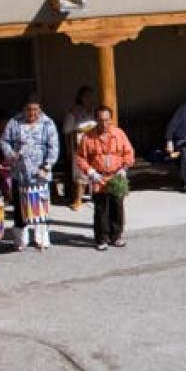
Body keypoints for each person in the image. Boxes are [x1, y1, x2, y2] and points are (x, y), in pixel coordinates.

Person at [1, 96, 59, 251]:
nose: (32, 113)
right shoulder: (14, 122)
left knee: (40, 206)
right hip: (20, 173)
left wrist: (46, 167)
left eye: (35, 110)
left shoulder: (48, 123)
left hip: (41, 172)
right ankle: (21, 241)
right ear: (23, 109)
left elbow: (54, 147)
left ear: (40, 109)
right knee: (20, 208)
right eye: (29, 110)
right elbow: (4, 140)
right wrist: (11, 154)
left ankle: (41, 239)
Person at [75, 106, 135, 251]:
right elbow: (80, 158)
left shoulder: (119, 134)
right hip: (98, 177)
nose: (104, 123)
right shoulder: (87, 137)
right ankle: (101, 238)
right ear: (96, 120)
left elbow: (129, 152)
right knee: (101, 209)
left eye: (107, 120)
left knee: (117, 207)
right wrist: (90, 172)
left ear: (111, 119)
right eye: (100, 120)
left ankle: (116, 236)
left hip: (116, 176)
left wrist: (124, 168)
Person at [62, 86, 96, 210]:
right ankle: (78, 199)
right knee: (81, 173)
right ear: (80, 97)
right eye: (86, 96)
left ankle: (95, 196)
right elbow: (66, 130)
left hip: (94, 145)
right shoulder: (74, 112)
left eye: (90, 96)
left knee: (95, 172)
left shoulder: (95, 111)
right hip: (80, 145)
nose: (89, 99)